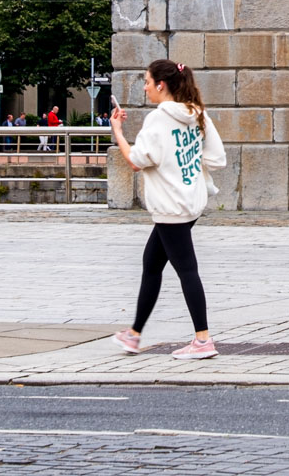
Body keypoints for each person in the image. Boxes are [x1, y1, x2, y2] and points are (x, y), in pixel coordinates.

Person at [109, 60, 227, 360]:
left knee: (187, 270)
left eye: (147, 82)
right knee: (152, 263)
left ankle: (203, 340)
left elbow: (136, 161)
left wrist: (118, 131)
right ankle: (134, 334)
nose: (145, 87)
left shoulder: (158, 118)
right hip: (190, 202)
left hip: (170, 206)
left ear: (161, 85)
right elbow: (216, 159)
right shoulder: (197, 113)